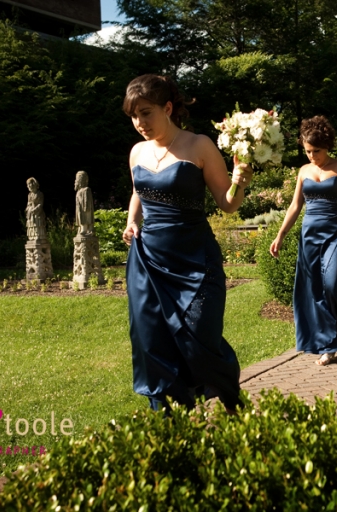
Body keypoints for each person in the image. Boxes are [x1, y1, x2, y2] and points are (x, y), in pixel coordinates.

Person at [121, 74, 253, 412]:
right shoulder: (137, 152)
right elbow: (138, 191)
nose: (140, 123)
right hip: (149, 261)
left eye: (146, 113)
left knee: (200, 339)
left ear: (167, 108)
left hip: (196, 260)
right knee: (153, 342)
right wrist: (132, 221)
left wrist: (239, 183)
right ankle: (170, 418)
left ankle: (232, 405)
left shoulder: (199, 145)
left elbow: (227, 204)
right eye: (134, 116)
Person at [269, 116, 337, 366]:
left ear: (327, 145)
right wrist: (280, 235)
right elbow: (295, 206)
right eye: (307, 151)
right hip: (309, 234)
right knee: (315, 289)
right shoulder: (303, 171)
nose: (311, 156)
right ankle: (328, 345)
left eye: (316, 151)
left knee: (333, 285)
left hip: (336, 231)